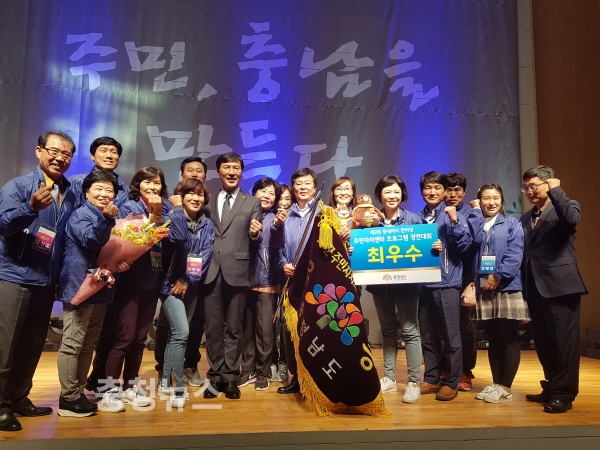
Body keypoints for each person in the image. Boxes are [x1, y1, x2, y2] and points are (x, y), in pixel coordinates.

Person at [0, 131, 77, 432]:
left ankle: (19, 398)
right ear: (39, 151)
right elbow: (2, 224)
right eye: (54, 151)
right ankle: (1, 406)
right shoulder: (19, 186)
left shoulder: (69, 193)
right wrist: (30, 208)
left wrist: (60, 278)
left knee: (32, 346)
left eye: (66, 154)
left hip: (46, 282)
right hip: (14, 276)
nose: (60, 158)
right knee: (5, 346)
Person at [56, 170, 130, 417]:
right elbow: (91, 241)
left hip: (100, 286)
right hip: (80, 286)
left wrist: (121, 263)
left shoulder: (108, 219)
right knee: (73, 343)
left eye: (109, 190)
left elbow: (108, 253)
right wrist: (107, 219)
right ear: (86, 192)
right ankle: (68, 397)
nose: (104, 194)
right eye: (98, 188)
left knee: (89, 343)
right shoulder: (81, 214)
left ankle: (77, 392)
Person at [101, 166, 170, 411]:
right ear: (138, 184)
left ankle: (131, 385)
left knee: (140, 339)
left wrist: (160, 211)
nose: (152, 187)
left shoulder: (165, 208)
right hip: (129, 282)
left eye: (157, 183)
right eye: (147, 182)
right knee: (124, 337)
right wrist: (118, 260)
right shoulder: (128, 206)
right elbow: (118, 239)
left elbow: (172, 238)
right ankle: (109, 390)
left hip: (153, 280)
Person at [520, 166, 587, 413]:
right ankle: (552, 386)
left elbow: (571, 220)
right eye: (525, 188)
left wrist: (556, 190)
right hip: (535, 288)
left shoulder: (566, 206)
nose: (529, 191)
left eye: (533, 186)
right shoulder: (526, 218)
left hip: (561, 286)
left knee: (564, 343)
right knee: (545, 342)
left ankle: (564, 393)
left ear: (548, 184)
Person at [202, 152, 262, 400]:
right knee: (213, 328)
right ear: (219, 172)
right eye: (226, 167)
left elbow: (256, 237)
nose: (231, 172)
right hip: (210, 271)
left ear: (241, 172)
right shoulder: (207, 201)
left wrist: (255, 234)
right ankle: (215, 376)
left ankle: (230, 377)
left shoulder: (252, 202)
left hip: (238, 271)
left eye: (236, 168)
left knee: (235, 329)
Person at [366, 175, 423, 403]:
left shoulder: (414, 220)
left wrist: (434, 246)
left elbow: (423, 249)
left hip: (407, 285)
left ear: (403, 195)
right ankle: (389, 378)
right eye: (387, 192)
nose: (392, 196)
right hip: (381, 285)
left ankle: (413, 382)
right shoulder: (371, 220)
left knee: (410, 331)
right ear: (379, 195)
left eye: (396, 192)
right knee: (388, 331)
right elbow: (361, 246)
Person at [470, 184, 530, 403]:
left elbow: (515, 253)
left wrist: (498, 276)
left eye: (495, 198)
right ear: (479, 201)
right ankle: (496, 384)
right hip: (483, 287)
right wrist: (475, 216)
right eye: (486, 198)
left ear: (502, 200)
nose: (491, 202)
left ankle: (506, 387)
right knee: (493, 339)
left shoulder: (512, 223)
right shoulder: (475, 222)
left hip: (507, 286)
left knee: (508, 338)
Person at [157, 178, 214, 408]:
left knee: (177, 335)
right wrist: (178, 210)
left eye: (200, 194)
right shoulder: (171, 217)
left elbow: (204, 255)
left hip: (191, 285)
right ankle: (177, 387)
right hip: (169, 285)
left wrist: (188, 280)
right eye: (191, 193)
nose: (196, 198)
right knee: (181, 333)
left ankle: (164, 382)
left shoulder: (207, 224)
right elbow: (176, 238)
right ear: (180, 196)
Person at [417, 171, 472, 401]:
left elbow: (464, 245)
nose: (432, 192)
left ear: (444, 191)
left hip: (447, 281)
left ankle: (452, 380)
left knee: (451, 335)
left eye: (437, 188)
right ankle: (431, 377)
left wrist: (454, 221)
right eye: (427, 188)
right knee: (428, 334)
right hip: (422, 284)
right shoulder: (417, 218)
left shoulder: (453, 214)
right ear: (422, 191)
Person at [238, 177, 287, 391]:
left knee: (265, 331)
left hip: (266, 281)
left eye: (271, 193)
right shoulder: (243, 215)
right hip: (242, 280)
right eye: (263, 191)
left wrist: (278, 225)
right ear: (254, 193)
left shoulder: (274, 219)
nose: (267, 196)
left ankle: (263, 372)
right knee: (246, 330)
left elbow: (277, 242)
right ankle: (247, 369)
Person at [277, 168, 320, 394]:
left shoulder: (325, 213)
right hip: (292, 282)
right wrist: (283, 263)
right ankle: (296, 378)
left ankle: (316, 379)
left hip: (316, 283)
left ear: (315, 187)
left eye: (307, 183)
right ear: (293, 188)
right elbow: (278, 247)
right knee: (290, 330)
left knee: (315, 330)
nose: (303, 187)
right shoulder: (286, 216)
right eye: (298, 184)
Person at [444, 173, 484, 391]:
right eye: (448, 190)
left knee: (464, 328)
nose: (452, 194)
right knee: (442, 327)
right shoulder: (436, 213)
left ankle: (465, 371)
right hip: (442, 277)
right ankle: (446, 369)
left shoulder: (472, 212)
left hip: (465, 278)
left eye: (457, 190)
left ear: (464, 192)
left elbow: (476, 240)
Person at [270, 183, 292, 383]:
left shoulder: (294, 219)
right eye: (280, 199)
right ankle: (271, 361)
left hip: (288, 277)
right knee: (269, 321)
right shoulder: (268, 218)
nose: (284, 203)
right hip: (269, 276)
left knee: (285, 322)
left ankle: (284, 362)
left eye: (288, 199)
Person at [69, 136, 129, 208]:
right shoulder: (76, 182)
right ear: (93, 156)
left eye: (114, 152)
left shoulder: (124, 188)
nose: (109, 156)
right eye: (103, 151)